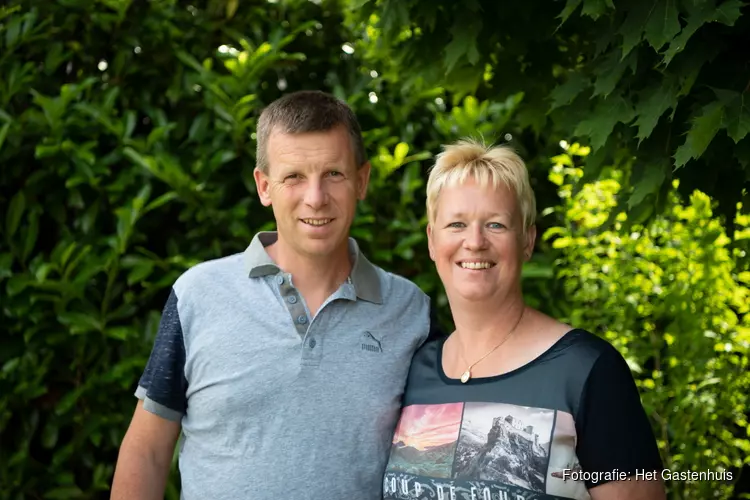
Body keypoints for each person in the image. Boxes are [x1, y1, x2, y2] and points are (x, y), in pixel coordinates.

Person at [111, 90, 433, 499]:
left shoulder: (410, 311)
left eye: (333, 173)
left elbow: (435, 460)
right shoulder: (198, 295)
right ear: (264, 186)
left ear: (362, 180)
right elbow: (147, 451)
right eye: (293, 176)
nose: (315, 197)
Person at [382, 139, 666, 500]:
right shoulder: (414, 370)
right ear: (432, 241)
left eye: (496, 225)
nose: (474, 241)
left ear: (528, 240)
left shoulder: (588, 371)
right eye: (456, 224)